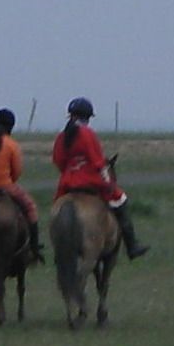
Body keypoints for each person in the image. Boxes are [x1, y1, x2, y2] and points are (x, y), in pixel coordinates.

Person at [52, 97, 150, 259]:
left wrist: (71, 171)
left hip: (68, 181)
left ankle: (58, 250)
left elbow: (58, 160)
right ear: (87, 117)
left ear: (70, 116)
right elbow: (97, 161)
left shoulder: (62, 136)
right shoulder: (87, 133)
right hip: (89, 179)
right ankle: (132, 246)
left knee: (58, 209)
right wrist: (107, 182)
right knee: (121, 201)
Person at [0, 108, 44, 263]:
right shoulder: (12, 145)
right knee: (30, 208)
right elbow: (17, 171)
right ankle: (33, 247)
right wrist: (8, 181)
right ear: (11, 126)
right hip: (5, 185)